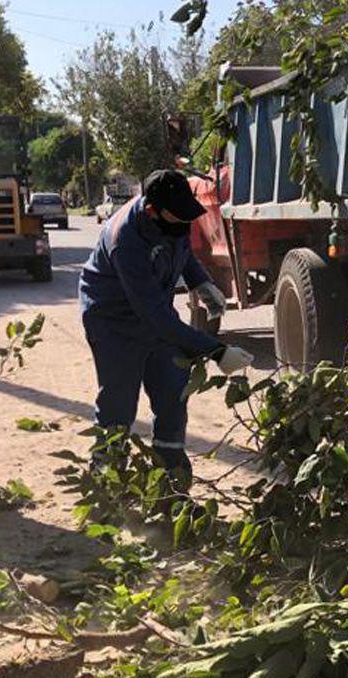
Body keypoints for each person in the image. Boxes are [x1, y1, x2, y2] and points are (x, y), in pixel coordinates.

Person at [78, 169, 253, 476]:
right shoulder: (126, 241)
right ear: (151, 211)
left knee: (173, 389)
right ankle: (107, 476)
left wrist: (201, 283)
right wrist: (217, 351)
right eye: (177, 219)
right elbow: (156, 317)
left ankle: (170, 470)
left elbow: (182, 250)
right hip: (113, 320)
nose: (184, 225)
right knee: (119, 401)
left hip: (153, 309)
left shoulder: (172, 217)